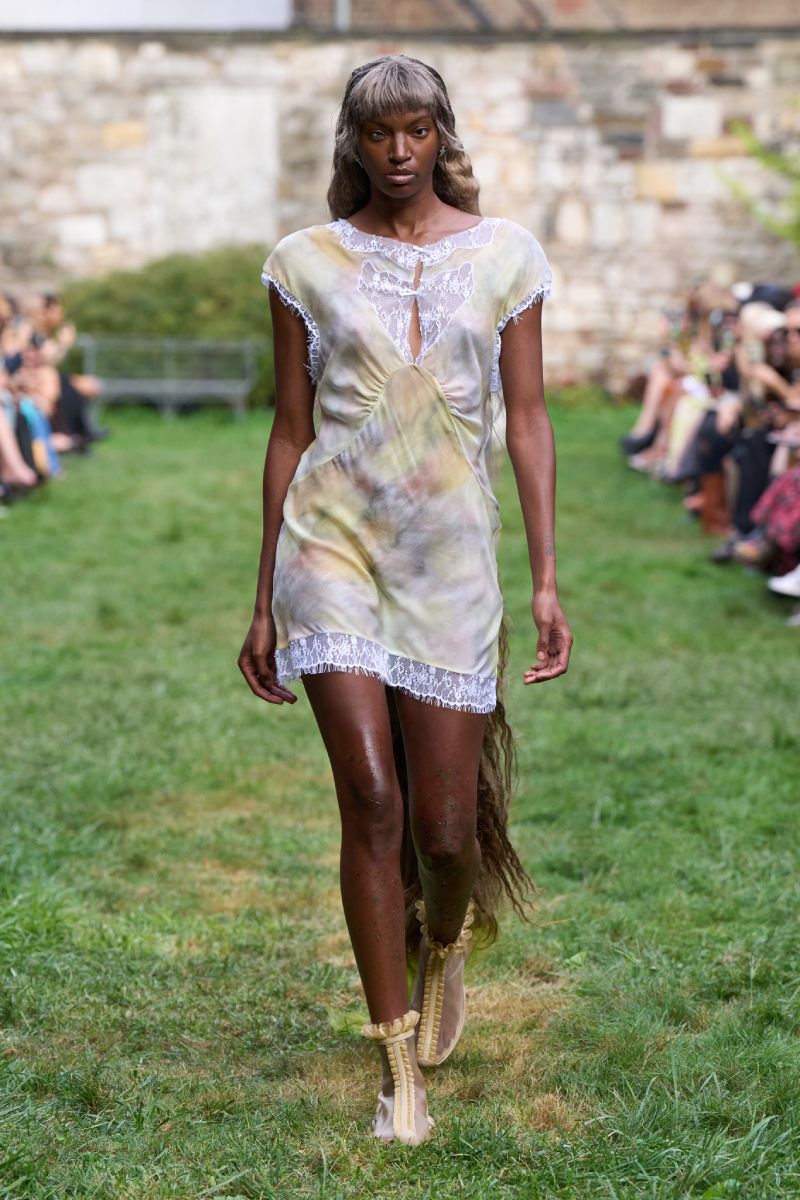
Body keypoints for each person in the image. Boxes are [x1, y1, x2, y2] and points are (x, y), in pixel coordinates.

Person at [238, 55, 572, 1146]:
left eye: (416, 130)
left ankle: (446, 938)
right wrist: (262, 598)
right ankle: (397, 1074)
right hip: (330, 546)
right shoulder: (303, 261)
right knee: (371, 802)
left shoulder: (507, 256)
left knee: (442, 825)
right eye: (378, 132)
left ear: (441, 136)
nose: (397, 151)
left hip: (450, 562)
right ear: (353, 140)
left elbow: (528, 421)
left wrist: (545, 579)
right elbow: (290, 429)